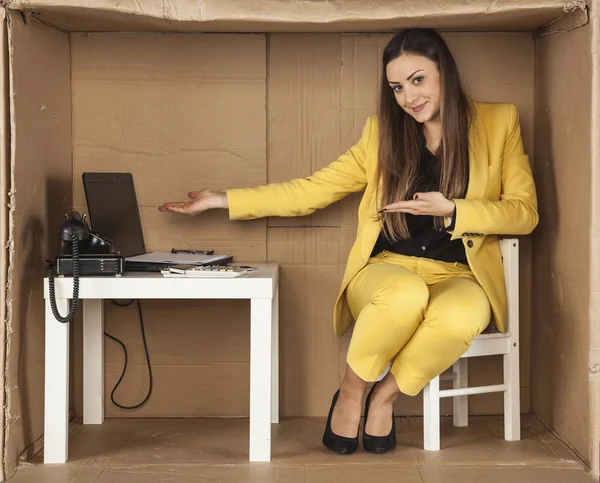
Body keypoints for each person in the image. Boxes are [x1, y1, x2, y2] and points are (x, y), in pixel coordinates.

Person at [158, 28, 538, 456]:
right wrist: (222, 200)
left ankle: (384, 397)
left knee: (464, 313)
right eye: (397, 86)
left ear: (444, 73)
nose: (408, 97)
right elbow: (312, 190)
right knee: (404, 294)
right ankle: (353, 390)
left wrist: (453, 209)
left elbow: (524, 213)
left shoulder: (499, 122)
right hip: (385, 272)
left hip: (456, 274)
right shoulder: (383, 134)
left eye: (418, 80)